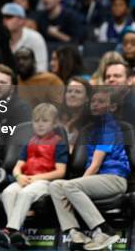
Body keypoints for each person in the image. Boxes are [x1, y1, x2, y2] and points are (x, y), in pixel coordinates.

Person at [49, 88, 129, 251]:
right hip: (97, 180)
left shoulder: (109, 127)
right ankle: (75, 233)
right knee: (55, 185)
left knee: (69, 186)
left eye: (101, 102)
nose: (95, 105)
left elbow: (95, 165)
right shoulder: (93, 128)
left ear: (112, 107)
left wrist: (73, 186)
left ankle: (104, 231)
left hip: (113, 179)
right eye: (93, 101)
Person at [0, 103, 67, 248]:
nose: (40, 124)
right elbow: (18, 166)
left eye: (45, 121)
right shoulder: (30, 142)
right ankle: (17, 233)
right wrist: (18, 176)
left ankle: (10, 230)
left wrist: (36, 178)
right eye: (37, 121)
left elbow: (61, 172)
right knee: (8, 192)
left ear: (54, 124)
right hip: (25, 178)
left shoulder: (59, 143)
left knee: (26, 193)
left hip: (45, 182)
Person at [1, 3, 48, 72]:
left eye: (9, 17)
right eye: (2, 17)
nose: (4, 20)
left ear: (21, 20)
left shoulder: (35, 38)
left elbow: (41, 69)